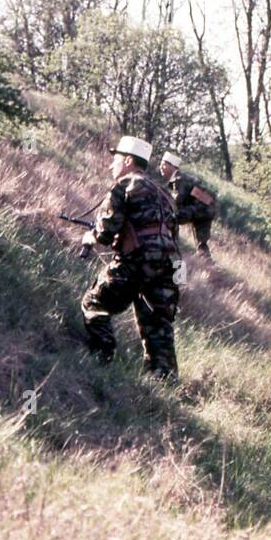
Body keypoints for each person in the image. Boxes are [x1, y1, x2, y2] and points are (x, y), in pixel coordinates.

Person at [80, 136, 183, 379]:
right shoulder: (165, 194)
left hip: (136, 262)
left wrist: (89, 238)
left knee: (94, 304)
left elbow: (106, 232)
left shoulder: (124, 185)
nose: (110, 166)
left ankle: (101, 363)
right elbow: (172, 236)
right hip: (169, 267)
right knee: (158, 328)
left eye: (115, 160)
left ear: (127, 161)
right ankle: (163, 385)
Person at [158, 151, 217, 259]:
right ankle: (206, 259)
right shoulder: (184, 177)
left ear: (171, 166)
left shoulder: (178, 179)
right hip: (207, 209)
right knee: (201, 243)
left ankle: (172, 248)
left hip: (200, 209)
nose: (160, 167)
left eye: (163, 165)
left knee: (170, 218)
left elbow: (175, 203)